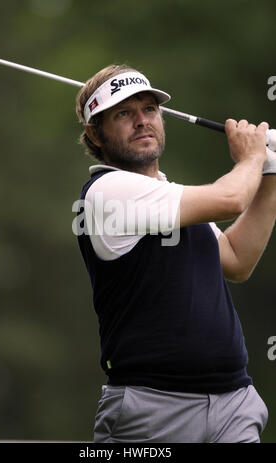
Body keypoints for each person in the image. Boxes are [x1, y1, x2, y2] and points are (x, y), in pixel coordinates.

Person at [74, 64, 276, 443]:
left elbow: (236, 259)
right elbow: (231, 198)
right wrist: (251, 157)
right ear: (94, 134)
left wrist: (269, 172)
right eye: (123, 114)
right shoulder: (106, 193)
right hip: (152, 410)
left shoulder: (170, 195)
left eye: (149, 109)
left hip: (234, 403)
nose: (141, 121)